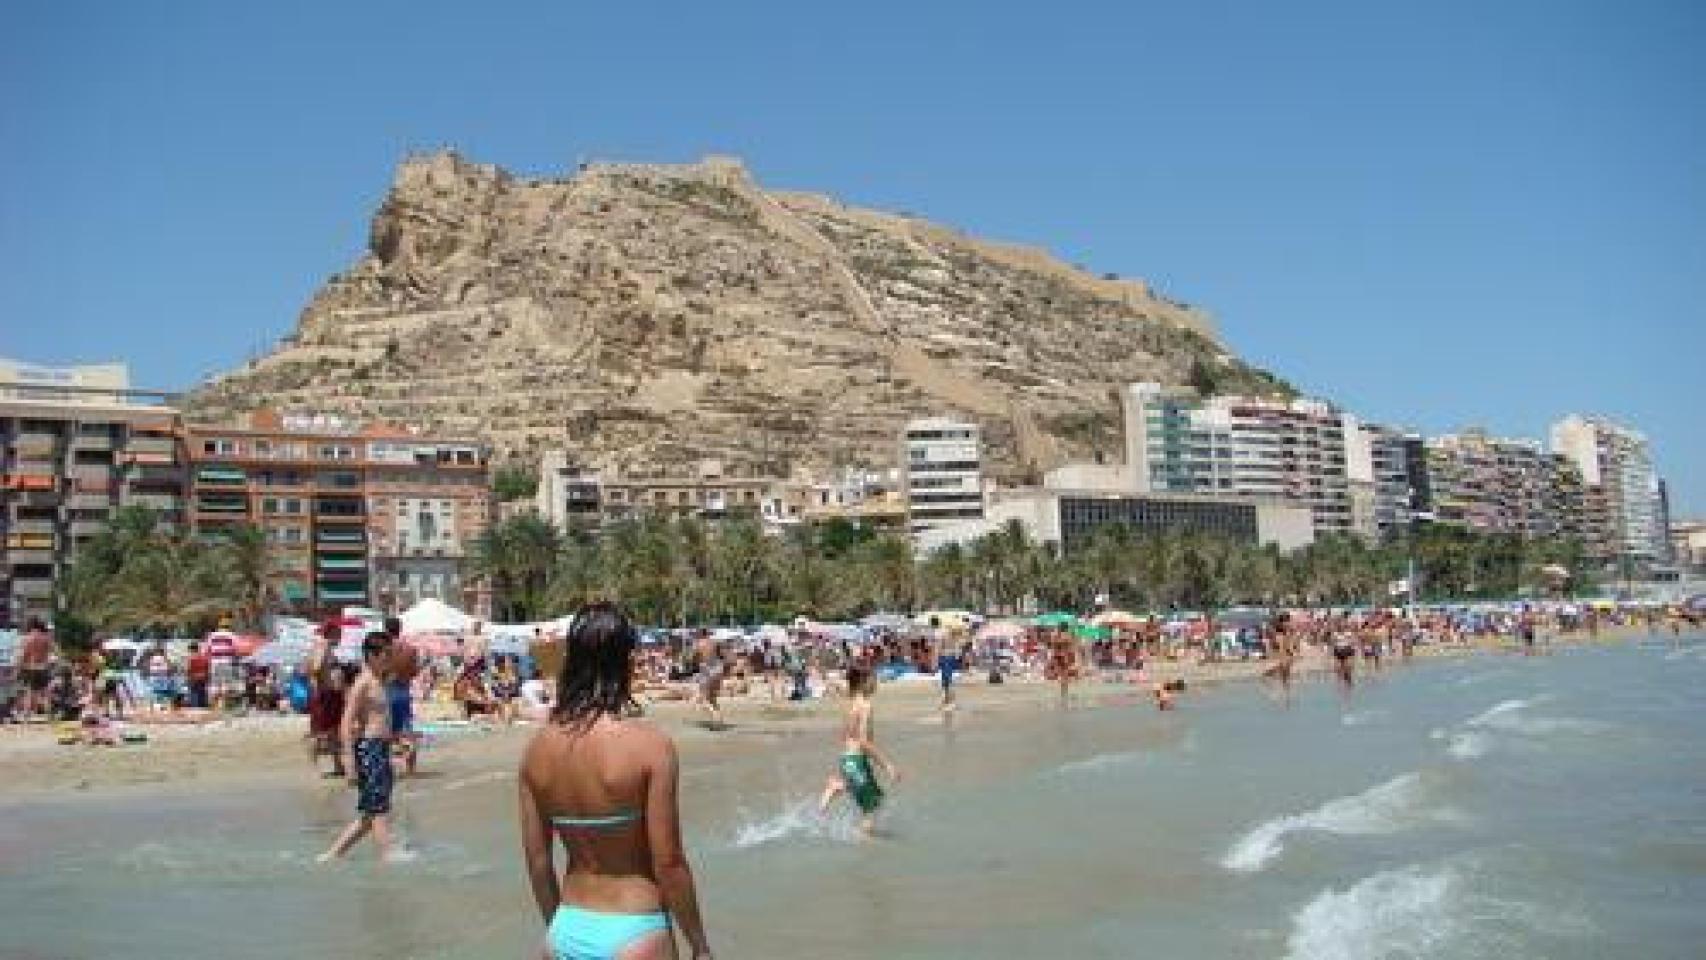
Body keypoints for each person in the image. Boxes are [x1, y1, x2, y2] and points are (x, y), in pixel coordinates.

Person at [518, 602, 714, 960]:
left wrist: (558, 930)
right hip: (635, 928)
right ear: (624, 662)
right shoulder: (650, 747)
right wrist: (699, 945)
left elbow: (538, 862)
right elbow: (668, 862)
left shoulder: (536, 752)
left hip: (567, 926)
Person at [319, 633, 396, 862]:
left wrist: (396, 741)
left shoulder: (379, 681)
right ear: (372, 656)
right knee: (378, 809)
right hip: (369, 749)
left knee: (371, 813)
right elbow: (346, 722)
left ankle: (332, 856)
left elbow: (381, 718)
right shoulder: (362, 683)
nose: (390, 658)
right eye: (386, 654)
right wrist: (349, 760)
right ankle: (389, 858)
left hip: (381, 748)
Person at [818, 664, 899, 838]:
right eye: (874, 680)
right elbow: (863, 742)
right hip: (856, 762)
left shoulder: (854, 701)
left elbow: (846, 734)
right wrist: (887, 765)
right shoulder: (865, 706)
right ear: (864, 682)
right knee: (871, 807)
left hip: (849, 760)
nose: (876, 683)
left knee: (876, 801)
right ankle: (865, 842)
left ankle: (839, 786)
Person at [383, 616, 421, 776]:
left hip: (386, 691)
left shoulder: (383, 649)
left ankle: (388, 768)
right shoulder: (410, 649)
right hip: (403, 691)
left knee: (386, 731)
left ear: (385, 629)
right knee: (406, 729)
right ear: (400, 629)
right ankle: (410, 767)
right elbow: (415, 672)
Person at [17, 618, 55, 719]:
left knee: (29, 691)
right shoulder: (46, 638)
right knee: (46, 691)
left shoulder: (26, 638)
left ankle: (26, 715)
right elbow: (52, 652)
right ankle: (49, 713)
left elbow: (23, 655)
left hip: (30, 667)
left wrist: (19, 667)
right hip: (43, 667)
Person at [185, 642, 212, 710]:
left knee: (194, 694)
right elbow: (208, 668)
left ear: (191, 649)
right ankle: (203, 708)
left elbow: (188, 669)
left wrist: (187, 678)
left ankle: (195, 709)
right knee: (202, 694)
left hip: (194, 678)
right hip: (203, 678)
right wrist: (208, 677)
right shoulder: (204, 657)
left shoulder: (190, 658)